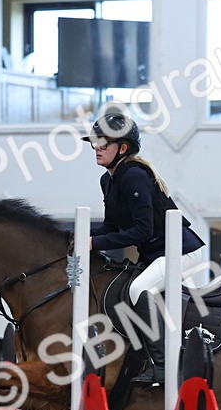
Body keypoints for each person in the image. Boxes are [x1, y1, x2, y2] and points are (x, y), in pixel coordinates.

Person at [82, 110, 205, 385]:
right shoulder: (109, 180)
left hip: (181, 250)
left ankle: (163, 367)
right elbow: (112, 227)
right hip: (157, 252)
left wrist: (95, 243)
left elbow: (142, 230)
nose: (96, 149)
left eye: (103, 144)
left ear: (122, 148)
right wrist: (77, 237)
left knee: (139, 289)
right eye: (94, 144)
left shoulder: (134, 175)